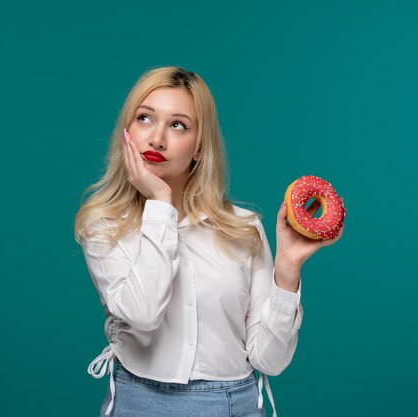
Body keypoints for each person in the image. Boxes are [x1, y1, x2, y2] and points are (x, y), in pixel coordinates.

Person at [74, 66, 343, 417]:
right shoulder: (104, 226)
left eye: (177, 125)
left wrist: (287, 270)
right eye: (144, 119)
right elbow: (142, 314)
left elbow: (270, 361)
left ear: (199, 147)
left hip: (236, 405)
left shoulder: (244, 229)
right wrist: (159, 202)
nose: (157, 139)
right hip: (138, 403)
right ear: (127, 131)